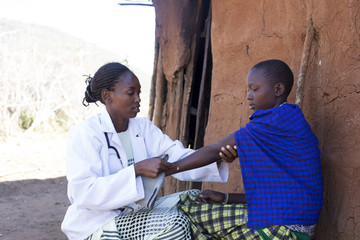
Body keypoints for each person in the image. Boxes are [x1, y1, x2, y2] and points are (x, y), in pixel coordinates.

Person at [61, 62, 232, 240]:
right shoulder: (85, 133)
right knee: (175, 224)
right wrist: (137, 169)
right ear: (107, 96)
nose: (138, 99)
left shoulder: (142, 127)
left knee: (193, 198)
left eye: (139, 93)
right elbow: (85, 193)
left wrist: (217, 157)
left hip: (135, 215)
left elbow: (177, 157)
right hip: (97, 224)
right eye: (130, 93)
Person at [167, 59, 324, 240]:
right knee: (193, 201)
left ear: (278, 90)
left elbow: (217, 149)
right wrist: (226, 198)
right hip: (295, 224)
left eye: (255, 89)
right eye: (248, 90)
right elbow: (278, 192)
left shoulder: (272, 122)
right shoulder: (288, 118)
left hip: (284, 228)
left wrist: (173, 168)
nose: (249, 96)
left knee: (186, 210)